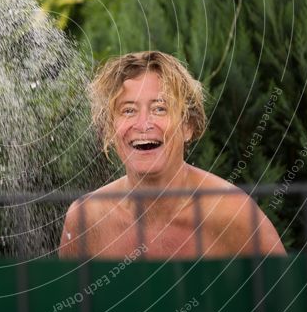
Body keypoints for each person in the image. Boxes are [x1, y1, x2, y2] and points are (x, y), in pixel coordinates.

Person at [59, 51, 285, 260]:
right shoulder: (86, 219)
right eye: (128, 110)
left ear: (188, 125)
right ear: (110, 128)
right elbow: (69, 302)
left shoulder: (232, 212)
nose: (143, 124)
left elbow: (293, 299)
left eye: (160, 108)